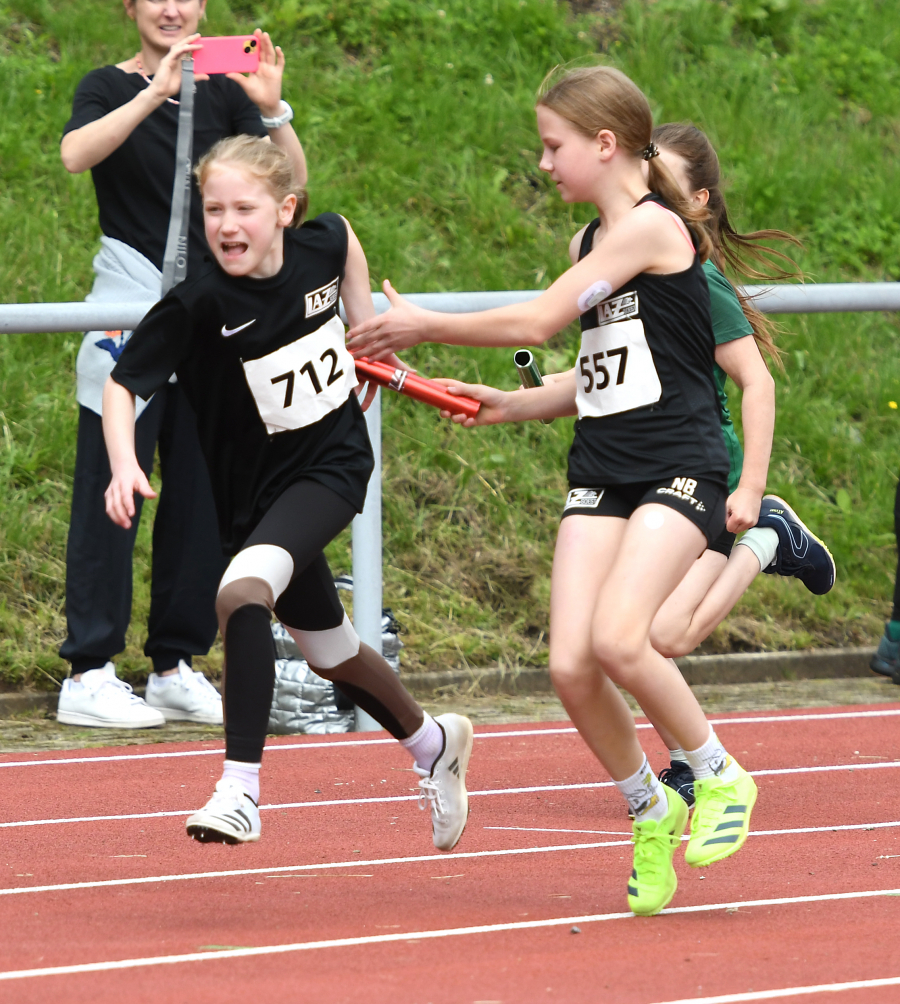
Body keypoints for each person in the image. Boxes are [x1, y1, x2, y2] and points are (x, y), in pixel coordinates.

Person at [347, 64, 761, 916]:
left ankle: (720, 775)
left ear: (605, 145)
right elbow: (598, 372)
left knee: (620, 638)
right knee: (570, 664)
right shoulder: (587, 247)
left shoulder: (650, 230)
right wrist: (514, 403)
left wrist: (427, 323)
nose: (543, 164)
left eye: (552, 146)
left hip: (679, 463)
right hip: (602, 467)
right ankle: (652, 808)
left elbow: (536, 323)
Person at [101, 135, 474, 848]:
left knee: (242, 593)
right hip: (253, 499)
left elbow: (344, 238)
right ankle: (433, 744)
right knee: (331, 649)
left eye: (245, 207)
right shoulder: (198, 303)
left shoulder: (318, 248)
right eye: (213, 209)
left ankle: (240, 789)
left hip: (332, 467)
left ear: (285, 211)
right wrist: (124, 462)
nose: (227, 224)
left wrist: (366, 331)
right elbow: (123, 386)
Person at [56, 0, 308, 729]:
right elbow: (76, 154)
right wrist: (155, 91)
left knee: (201, 496)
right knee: (112, 489)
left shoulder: (228, 94)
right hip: (127, 303)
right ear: (128, 6)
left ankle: (174, 663)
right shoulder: (107, 86)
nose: (173, 8)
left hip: (207, 314)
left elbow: (290, 190)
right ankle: (90, 671)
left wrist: (273, 107)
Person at [583, 123, 836, 807]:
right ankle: (693, 759)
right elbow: (610, 370)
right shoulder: (609, 267)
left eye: (660, 184)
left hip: (701, 470)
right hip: (636, 468)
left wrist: (750, 482)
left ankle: (766, 537)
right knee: (637, 633)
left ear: (695, 202)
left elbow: (756, 381)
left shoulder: (700, 277)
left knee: (660, 633)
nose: (645, 198)